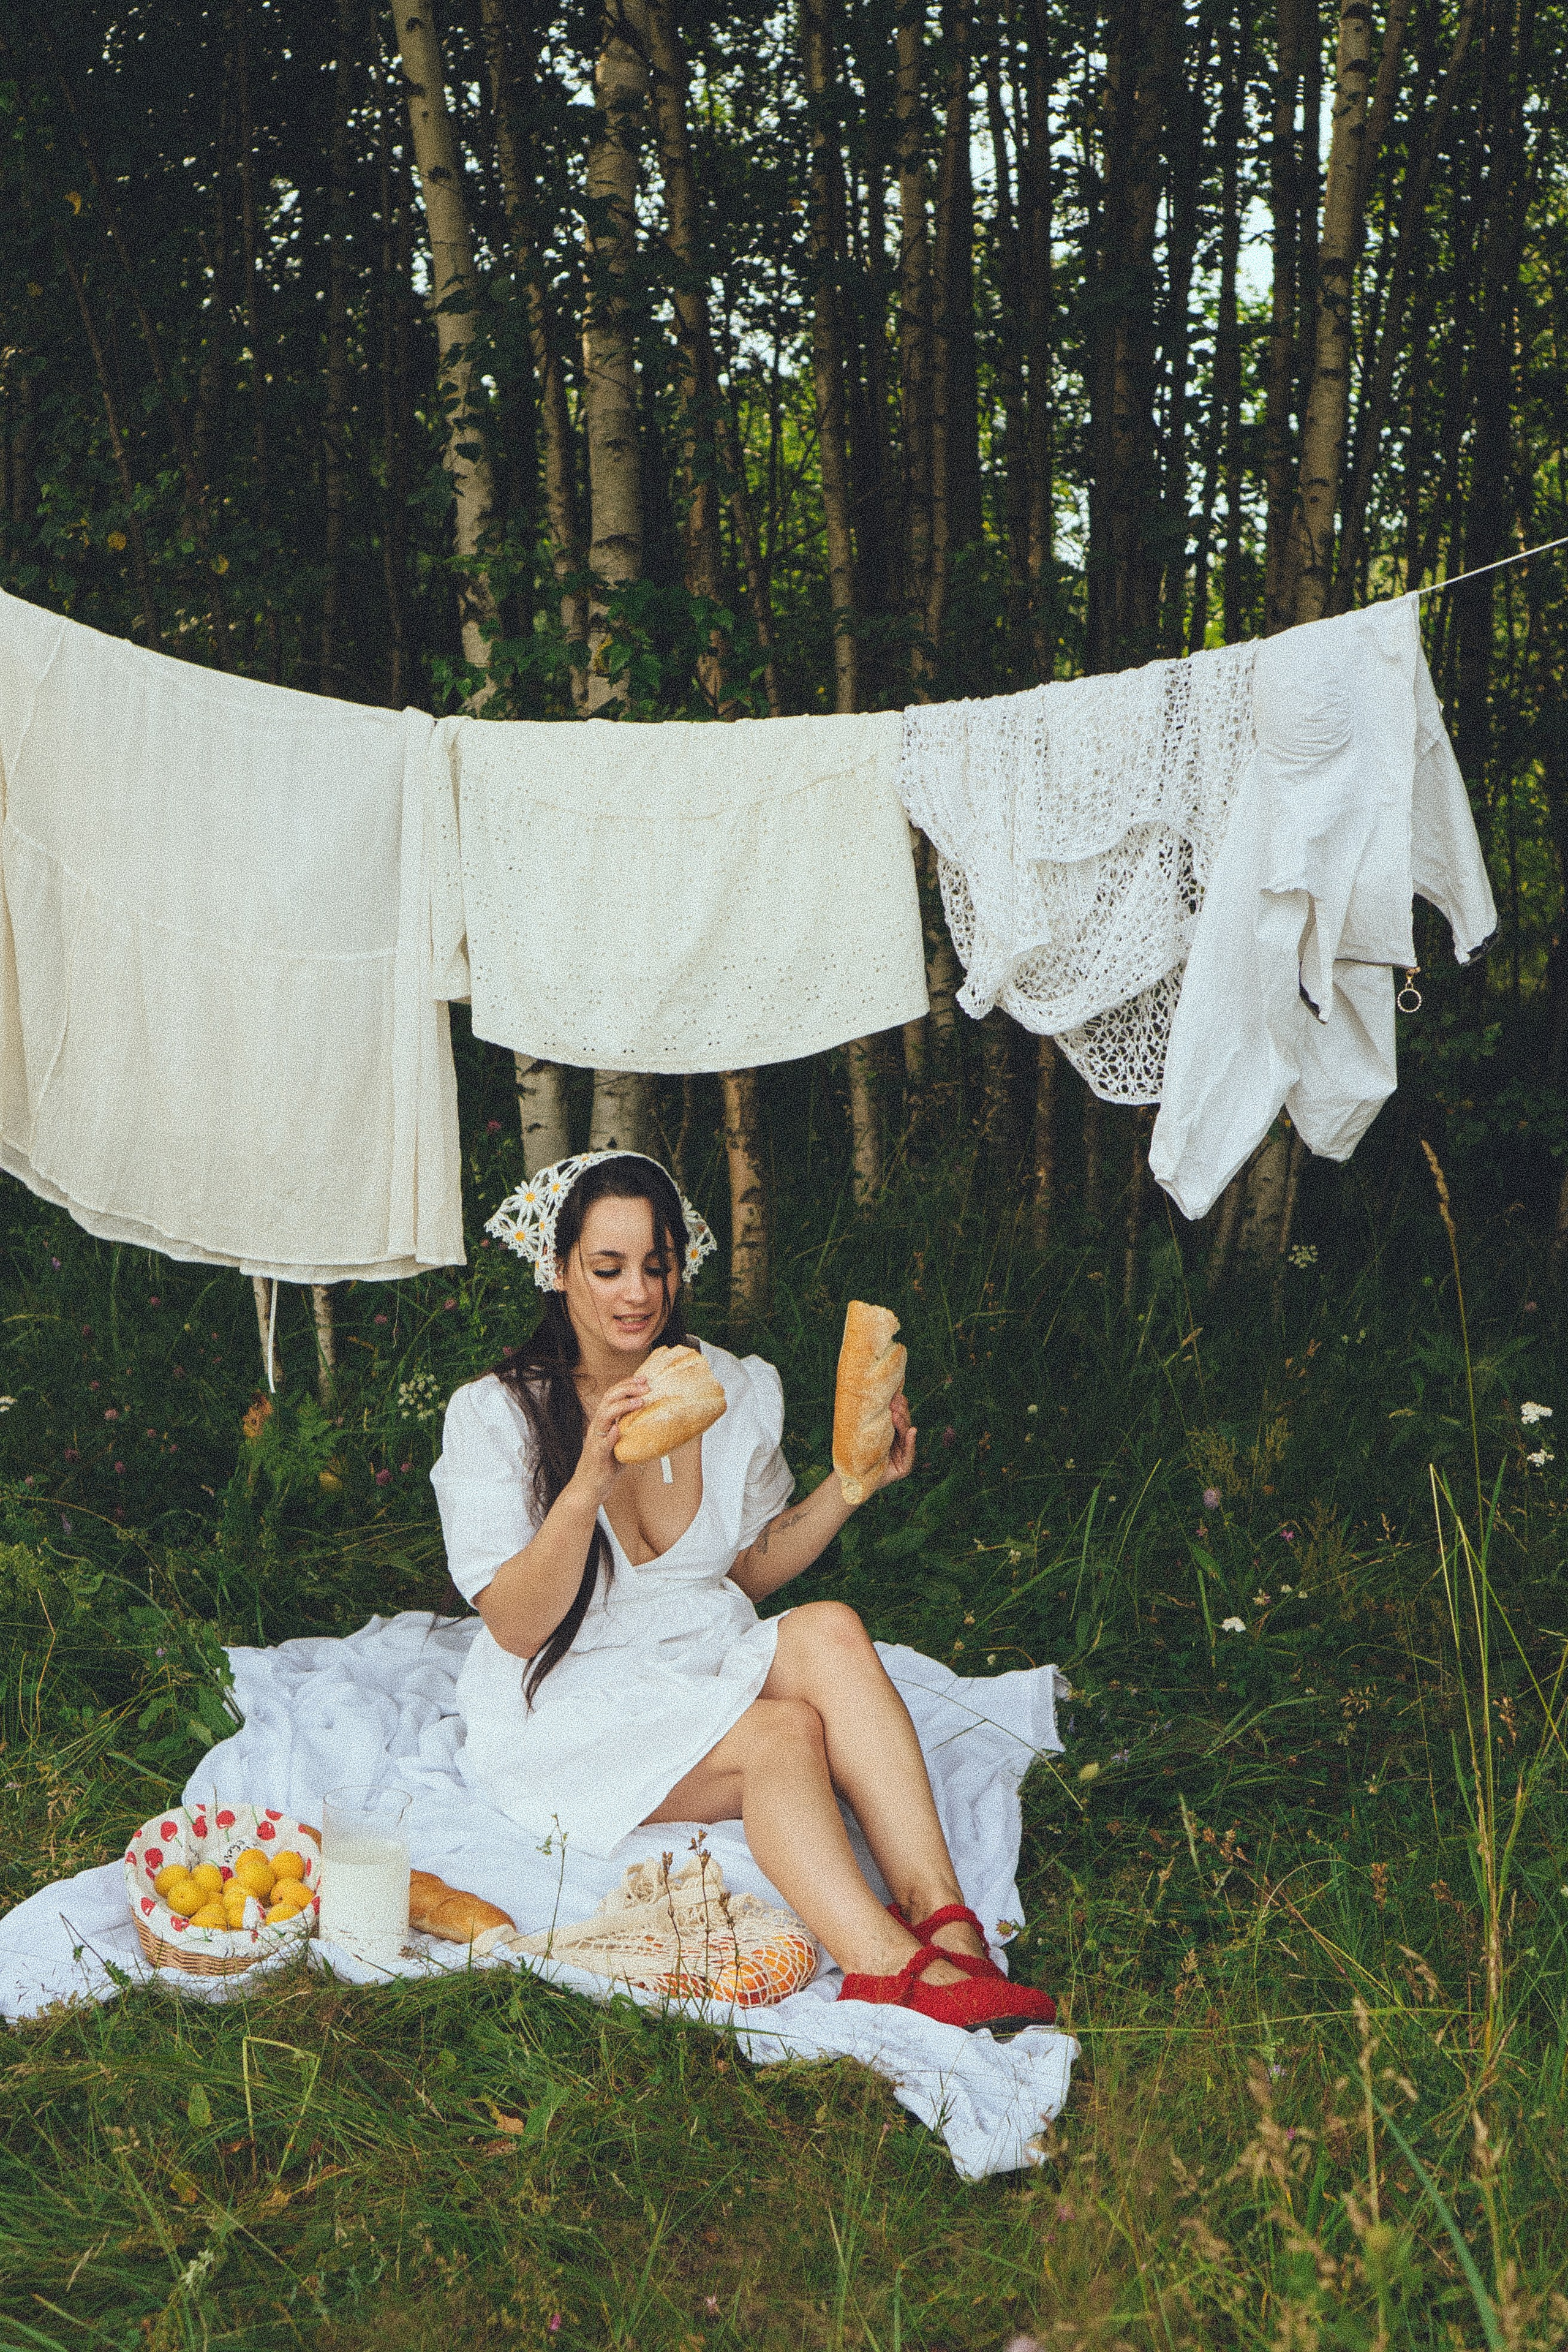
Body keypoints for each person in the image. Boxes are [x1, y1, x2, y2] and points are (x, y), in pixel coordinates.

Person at [431, 1148, 1056, 2032]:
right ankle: (881, 1967)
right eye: (607, 1269)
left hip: (696, 1652)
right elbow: (517, 1626)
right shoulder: (495, 1415)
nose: (636, 1294)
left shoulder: (725, 1388)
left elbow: (747, 1567)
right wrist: (585, 1483)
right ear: (560, 1268)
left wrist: (851, 1486)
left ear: (682, 1268)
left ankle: (945, 1926)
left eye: (657, 1266)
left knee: (832, 1626)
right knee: (780, 1736)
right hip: (572, 1695)